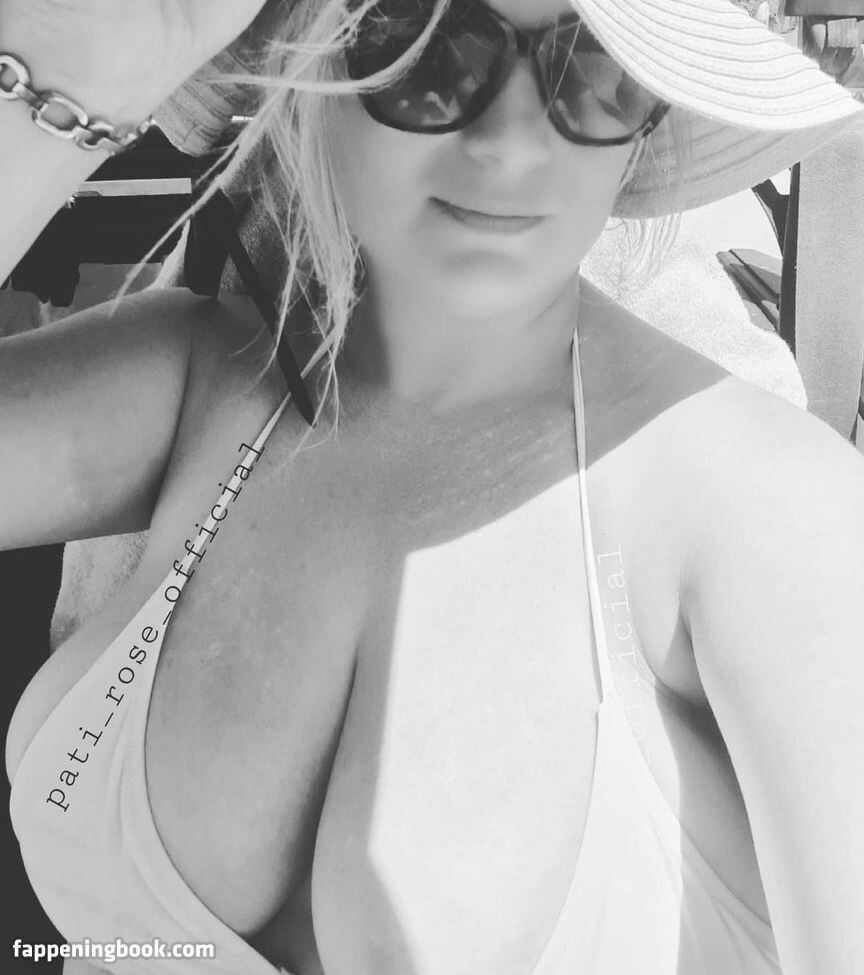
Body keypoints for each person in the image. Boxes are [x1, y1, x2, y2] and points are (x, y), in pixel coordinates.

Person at [2, 0, 864, 973]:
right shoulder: (204, 379)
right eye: (423, 45)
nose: (510, 143)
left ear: (648, 119)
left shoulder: (770, 512)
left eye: (590, 65)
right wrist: (82, 72)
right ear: (303, 73)